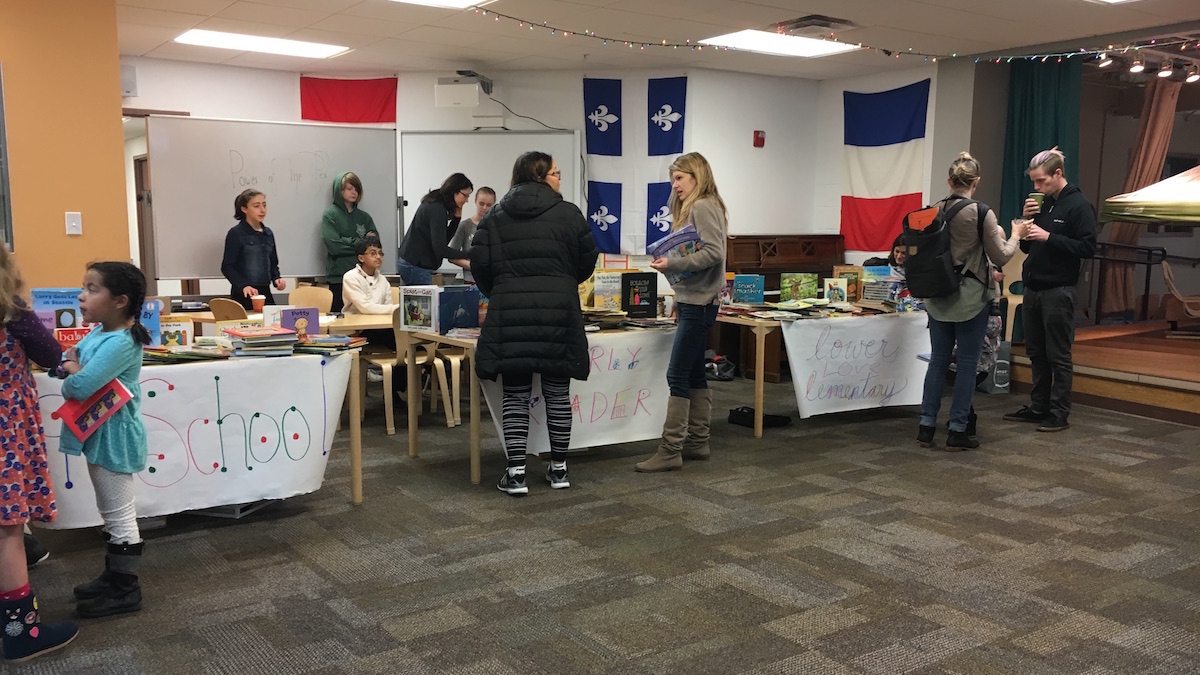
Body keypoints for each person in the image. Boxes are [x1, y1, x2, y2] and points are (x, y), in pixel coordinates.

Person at [470, 152, 597, 496]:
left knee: (515, 393)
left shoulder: (494, 216)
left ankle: (516, 474)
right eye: (556, 173)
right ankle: (559, 470)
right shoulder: (569, 213)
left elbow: (479, 263)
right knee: (557, 392)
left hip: (511, 312)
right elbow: (587, 259)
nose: (560, 179)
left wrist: (500, 290)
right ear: (540, 176)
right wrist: (562, 280)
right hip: (559, 310)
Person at [58, 262, 150, 618]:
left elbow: (79, 384)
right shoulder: (99, 333)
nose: (82, 295)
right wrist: (74, 367)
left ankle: (126, 589)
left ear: (120, 301)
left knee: (119, 512)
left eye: (93, 289)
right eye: (84, 286)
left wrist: (72, 373)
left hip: (116, 437)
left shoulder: (122, 342)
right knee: (109, 510)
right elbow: (73, 358)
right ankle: (114, 576)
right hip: (99, 432)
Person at [0, 244, 78, 662]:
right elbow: (51, 354)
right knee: (7, 528)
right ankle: (21, 633)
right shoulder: (12, 311)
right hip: (4, 430)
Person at [918, 152, 1022, 451]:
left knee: (937, 361)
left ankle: (926, 425)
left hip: (938, 296)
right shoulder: (981, 212)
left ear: (949, 181)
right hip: (971, 297)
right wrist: (1015, 234)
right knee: (966, 364)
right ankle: (957, 429)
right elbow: (1001, 255)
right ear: (975, 182)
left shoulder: (933, 210)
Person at [636, 152, 729, 472]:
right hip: (694, 299)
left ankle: (671, 449)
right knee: (692, 372)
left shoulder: (703, 206)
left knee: (677, 374)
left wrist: (672, 263)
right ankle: (697, 442)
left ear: (697, 176)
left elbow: (714, 253)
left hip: (700, 302)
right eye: (673, 178)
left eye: (680, 178)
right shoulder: (702, 206)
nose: (674, 184)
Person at [1003, 147, 1097, 433]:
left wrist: (1050, 236)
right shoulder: (1042, 204)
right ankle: (1038, 406)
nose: (1036, 187)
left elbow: (1087, 248)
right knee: (1036, 352)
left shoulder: (1079, 206)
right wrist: (1025, 223)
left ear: (1058, 174)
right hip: (1034, 286)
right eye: (1034, 181)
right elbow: (1030, 246)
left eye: (1041, 181)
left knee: (1058, 354)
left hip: (1059, 289)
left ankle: (1059, 413)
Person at [397, 173, 474, 285]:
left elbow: (443, 241)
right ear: (454, 191)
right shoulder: (437, 209)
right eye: (465, 195)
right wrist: (469, 254)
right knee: (423, 302)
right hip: (415, 266)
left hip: (413, 264)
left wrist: (456, 219)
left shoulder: (437, 203)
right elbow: (441, 249)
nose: (467, 200)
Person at [322, 172, 378, 313]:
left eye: (356, 189)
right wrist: (361, 244)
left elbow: (374, 247)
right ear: (339, 191)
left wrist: (346, 240)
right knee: (340, 320)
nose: (354, 192)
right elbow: (334, 246)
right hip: (339, 277)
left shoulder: (364, 217)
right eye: (349, 188)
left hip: (364, 277)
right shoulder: (330, 215)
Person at [221, 189, 285, 310]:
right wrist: (243, 285)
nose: (262, 210)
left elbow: (273, 263)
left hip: (265, 293)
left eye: (264, 205)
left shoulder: (268, 233)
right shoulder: (236, 233)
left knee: (273, 325)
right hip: (244, 293)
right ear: (244, 209)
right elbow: (227, 266)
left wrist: (277, 278)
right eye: (256, 206)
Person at [341, 236, 396, 349]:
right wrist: (397, 308)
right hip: (358, 329)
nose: (378, 257)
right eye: (373, 253)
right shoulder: (351, 277)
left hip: (379, 326)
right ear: (361, 258)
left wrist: (392, 309)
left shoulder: (383, 280)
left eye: (380, 253)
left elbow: (388, 307)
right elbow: (364, 307)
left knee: (405, 339)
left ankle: (404, 365)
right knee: (396, 341)